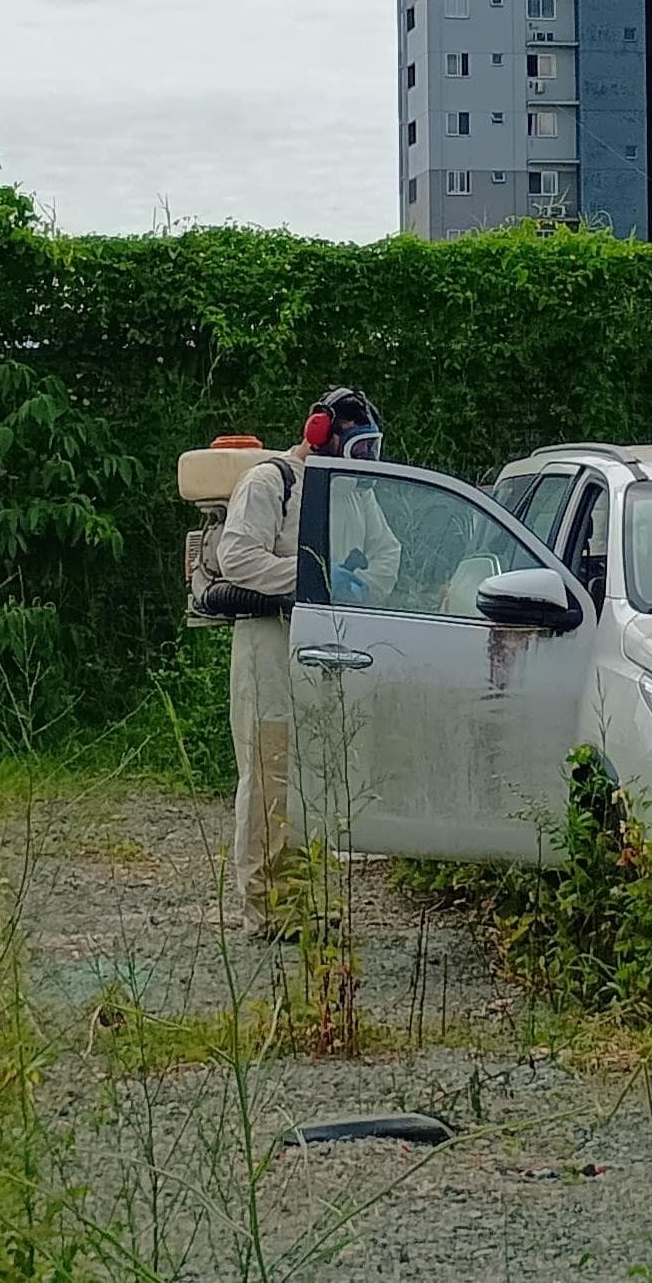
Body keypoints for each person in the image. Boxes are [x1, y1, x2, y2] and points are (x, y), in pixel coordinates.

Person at [202, 387, 391, 938]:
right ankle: (265, 908)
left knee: (317, 780)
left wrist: (358, 588)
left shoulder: (356, 494)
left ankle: (305, 897)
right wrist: (312, 579)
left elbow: (388, 554)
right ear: (320, 434)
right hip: (271, 650)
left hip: (330, 655)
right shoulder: (271, 481)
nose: (364, 460)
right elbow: (236, 556)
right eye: (357, 447)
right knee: (269, 778)